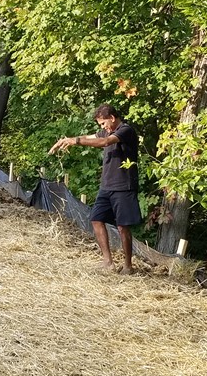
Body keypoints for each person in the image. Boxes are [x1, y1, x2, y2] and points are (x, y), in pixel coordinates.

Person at [49, 104, 141, 274]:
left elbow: (105, 142)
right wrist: (68, 139)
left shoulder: (125, 130)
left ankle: (128, 266)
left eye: (103, 123)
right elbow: (90, 137)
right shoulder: (106, 131)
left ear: (112, 118)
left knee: (122, 227)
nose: (103, 127)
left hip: (123, 186)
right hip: (106, 186)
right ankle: (108, 262)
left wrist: (76, 141)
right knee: (96, 219)